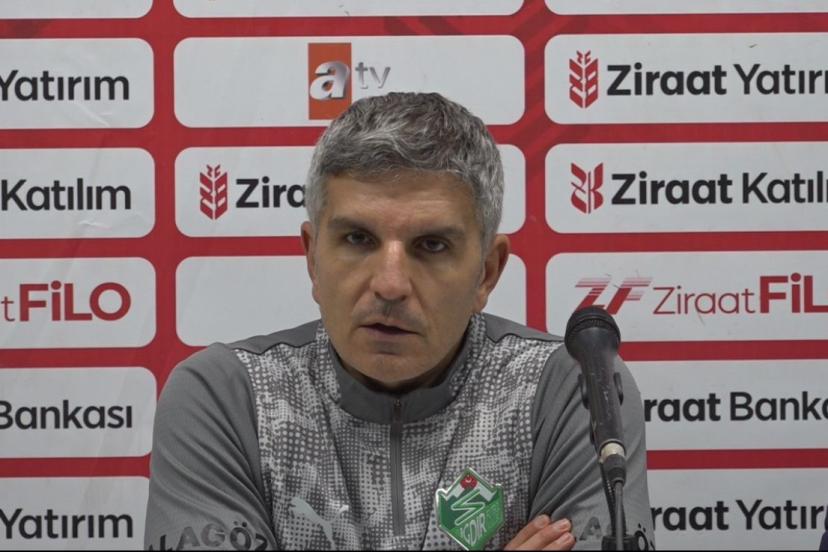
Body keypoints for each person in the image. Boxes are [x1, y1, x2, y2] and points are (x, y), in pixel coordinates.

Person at [144, 92, 654, 550]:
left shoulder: (570, 389)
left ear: (487, 272)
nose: (390, 284)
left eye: (431, 245)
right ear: (312, 257)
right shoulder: (226, 398)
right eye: (358, 239)